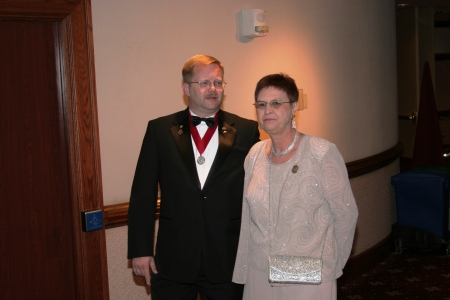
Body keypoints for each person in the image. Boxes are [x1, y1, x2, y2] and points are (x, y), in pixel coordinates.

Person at [128, 54, 260, 300]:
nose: (213, 88)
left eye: (218, 82)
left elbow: (258, 191)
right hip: (172, 260)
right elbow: (142, 194)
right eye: (205, 83)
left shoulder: (246, 130)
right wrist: (140, 250)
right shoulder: (159, 130)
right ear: (186, 88)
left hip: (226, 257)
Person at [232, 73, 358, 299]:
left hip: (307, 276)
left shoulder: (322, 153)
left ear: (294, 108)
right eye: (261, 104)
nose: (267, 110)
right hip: (259, 273)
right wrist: (244, 267)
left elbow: (347, 215)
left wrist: (329, 266)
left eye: (276, 103)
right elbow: (246, 219)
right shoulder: (254, 155)